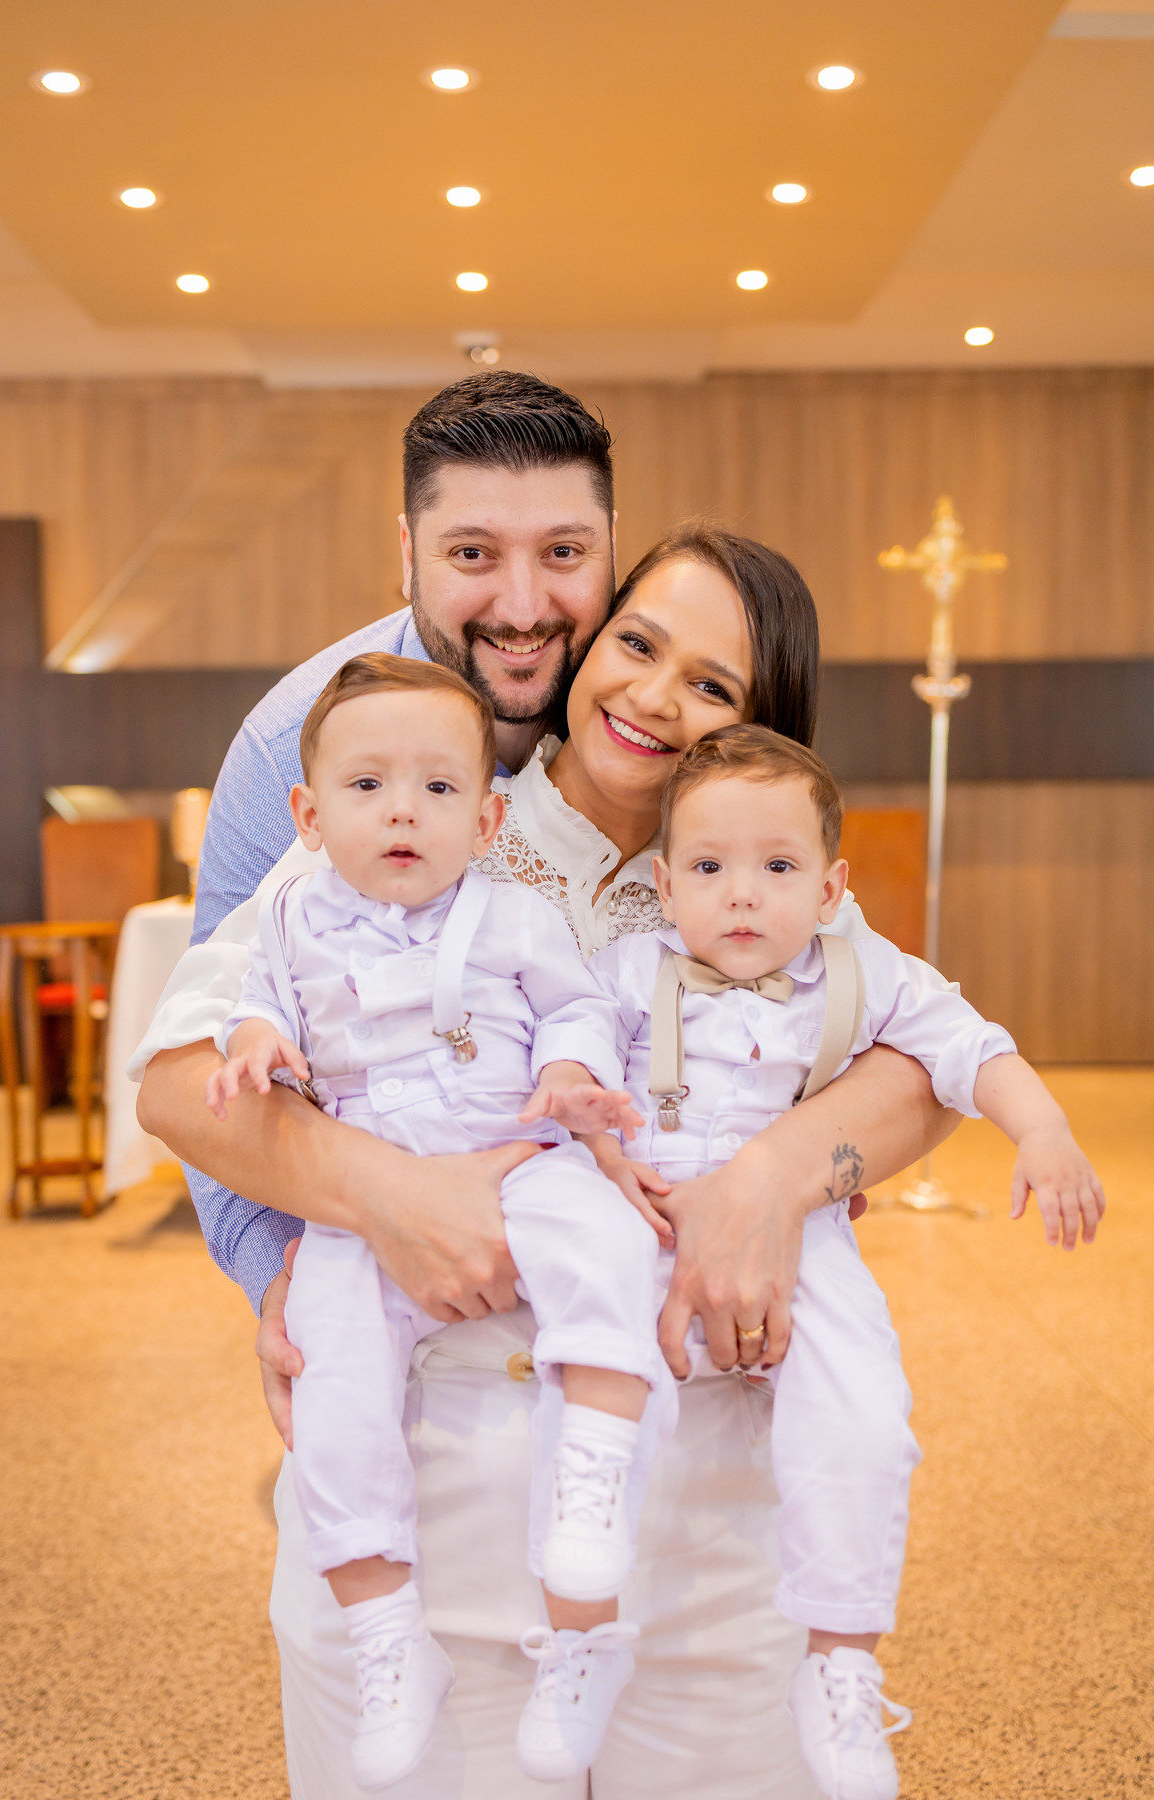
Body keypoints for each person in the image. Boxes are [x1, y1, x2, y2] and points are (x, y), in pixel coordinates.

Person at [136, 371, 956, 1799]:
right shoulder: (377, 798)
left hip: (690, 1474)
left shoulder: (743, 873)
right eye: (640, 647)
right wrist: (352, 1222)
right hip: (428, 1437)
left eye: (714, 684)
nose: (651, 691)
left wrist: (773, 1178)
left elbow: (919, 1059)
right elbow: (184, 1067)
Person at [588, 723, 1106, 1800]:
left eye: (776, 869)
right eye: (710, 868)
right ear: (663, 882)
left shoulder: (862, 973)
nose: (742, 896)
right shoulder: (625, 969)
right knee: (595, 1420)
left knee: (864, 1421)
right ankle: (585, 1636)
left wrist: (1044, 1130)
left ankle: (842, 1660)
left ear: (830, 887)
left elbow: (973, 1049)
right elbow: (558, 1075)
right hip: (639, 1223)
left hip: (806, 1240)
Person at [205, 653, 675, 1789]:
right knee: (334, 1365)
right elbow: (245, 1004)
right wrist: (254, 1043)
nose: (402, 811)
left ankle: (591, 1485)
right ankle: (381, 1630)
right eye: (366, 789)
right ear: (310, 815)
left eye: (436, 789)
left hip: (523, 1147)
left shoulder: (513, 914)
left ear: (488, 815)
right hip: (370, 1186)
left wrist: (567, 1073)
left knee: (611, 1247)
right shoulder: (288, 917)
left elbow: (577, 1009)